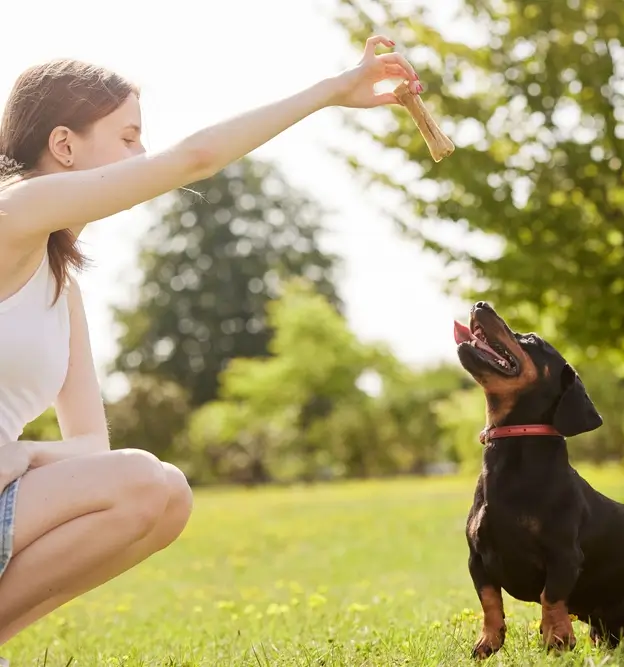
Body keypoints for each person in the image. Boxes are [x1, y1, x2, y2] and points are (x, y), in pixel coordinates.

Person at [0, 34, 421, 651]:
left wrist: (22, 455)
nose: (143, 154)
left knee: (163, 493)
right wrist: (332, 90)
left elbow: (89, 444)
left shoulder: (62, 287)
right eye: (127, 136)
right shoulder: (14, 214)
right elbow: (196, 157)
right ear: (63, 145)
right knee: (146, 481)